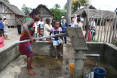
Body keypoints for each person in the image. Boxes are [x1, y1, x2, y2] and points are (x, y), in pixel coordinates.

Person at [19, 9, 40, 75]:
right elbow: (25, 26)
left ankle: (29, 66)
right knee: (30, 54)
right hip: (24, 39)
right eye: (39, 16)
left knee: (29, 54)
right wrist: (30, 37)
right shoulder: (31, 20)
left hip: (27, 38)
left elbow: (30, 30)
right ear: (34, 15)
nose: (39, 17)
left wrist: (32, 37)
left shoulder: (33, 22)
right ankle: (29, 70)